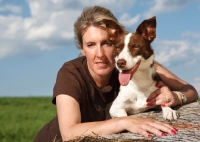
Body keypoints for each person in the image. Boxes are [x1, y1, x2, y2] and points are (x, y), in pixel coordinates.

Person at [34, 6, 198, 142]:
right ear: (82, 49)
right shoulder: (70, 73)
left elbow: (190, 90)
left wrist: (177, 98)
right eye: (91, 45)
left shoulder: (138, 65)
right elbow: (69, 133)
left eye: (106, 43)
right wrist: (124, 122)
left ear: (116, 41)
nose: (100, 54)